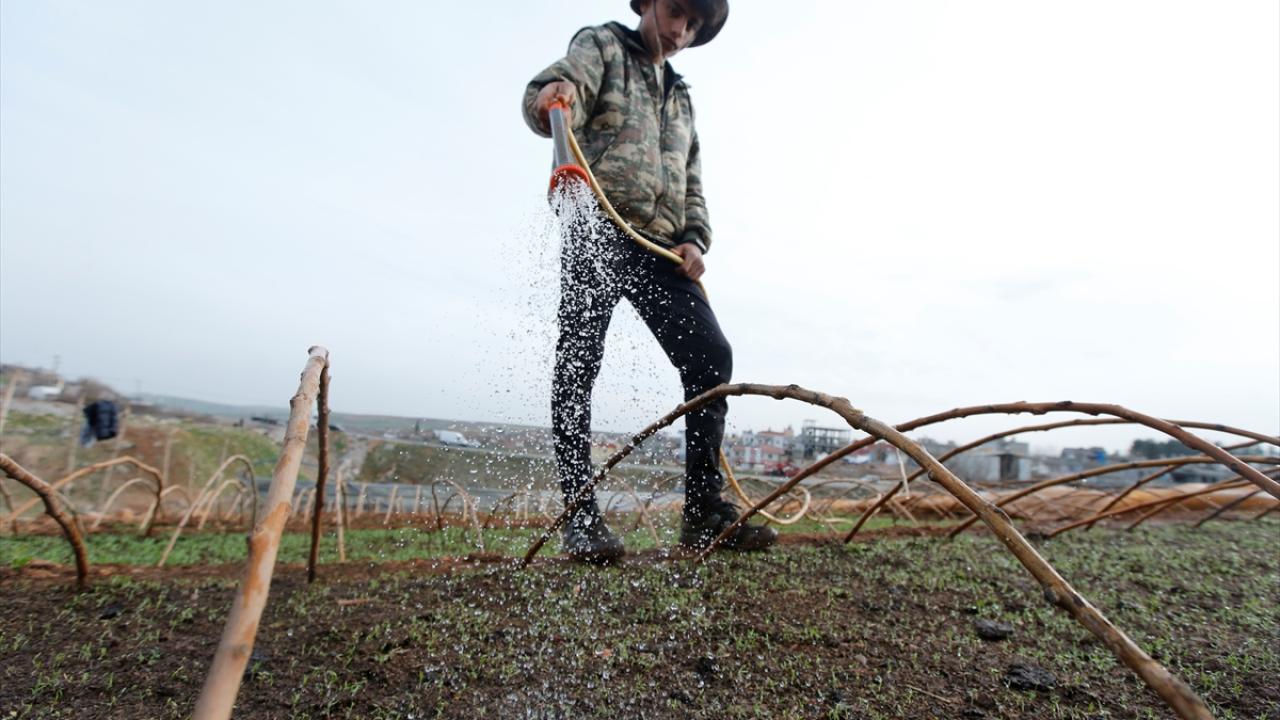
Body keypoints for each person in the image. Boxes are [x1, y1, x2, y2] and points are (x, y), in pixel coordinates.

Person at [522, 0, 776, 562]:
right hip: (598, 225)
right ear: (649, 4)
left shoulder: (682, 97)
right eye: (676, 11)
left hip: (660, 248)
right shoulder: (604, 46)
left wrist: (695, 238)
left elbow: (691, 177)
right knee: (579, 361)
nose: (681, 29)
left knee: (711, 355)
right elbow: (562, 87)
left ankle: (704, 513)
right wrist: (551, 98)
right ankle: (580, 517)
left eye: (694, 24)